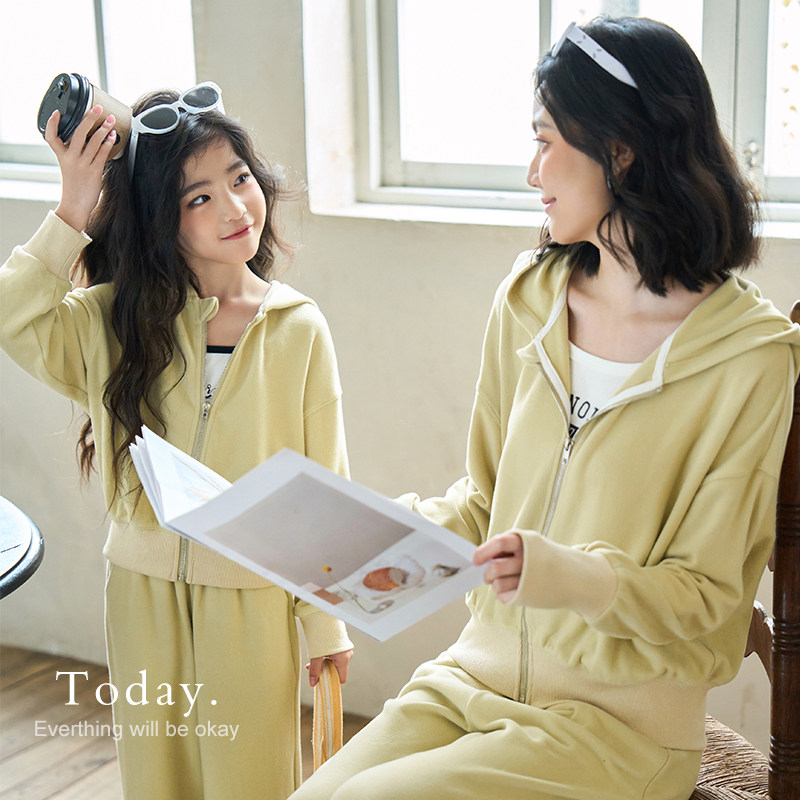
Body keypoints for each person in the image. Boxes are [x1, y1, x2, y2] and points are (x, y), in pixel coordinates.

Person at [290, 16, 800, 800]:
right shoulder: (529, 298)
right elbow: (484, 502)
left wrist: (567, 575)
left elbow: (707, 596)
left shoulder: (749, 358)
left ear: (620, 150)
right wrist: (353, 539)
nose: (533, 171)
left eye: (545, 141)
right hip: (471, 679)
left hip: (618, 729)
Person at [0, 83, 353, 800]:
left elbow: (324, 487)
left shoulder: (298, 328)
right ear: (161, 216)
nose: (234, 208)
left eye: (240, 179)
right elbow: (13, 315)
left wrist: (325, 625)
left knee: (251, 781)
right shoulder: (112, 321)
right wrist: (75, 207)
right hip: (142, 596)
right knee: (157, 782)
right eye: (199, 198)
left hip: (251, 601)